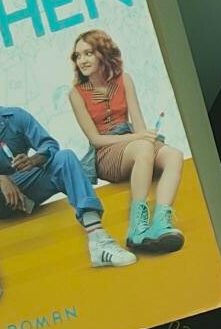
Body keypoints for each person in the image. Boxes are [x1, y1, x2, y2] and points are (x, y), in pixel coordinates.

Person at [0, 70, 136, 316]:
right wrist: (1, 179)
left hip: (31, 185)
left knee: (65, 157)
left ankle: (99, 241)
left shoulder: (16, 116)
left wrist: (34, 160)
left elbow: (49, 145)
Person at [67, 29, 187, 254]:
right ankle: (136, 229)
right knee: (143, 148)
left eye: (88, 53)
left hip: (135, 145)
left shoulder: (124, 79)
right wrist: (139, 138)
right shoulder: (76, 93)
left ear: (103, 53)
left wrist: (146, 136)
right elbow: (95, 139)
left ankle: (161, 223)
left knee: (174, 155)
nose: (82, 60)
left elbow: (139, 124)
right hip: (106, 153)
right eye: (78, 55)